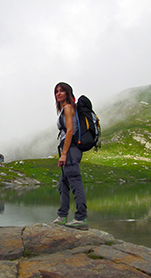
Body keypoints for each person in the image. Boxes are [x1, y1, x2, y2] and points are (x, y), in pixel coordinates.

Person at [52, 82, 88, 230]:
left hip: (71, 150)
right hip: (69, 149)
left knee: (74, 182)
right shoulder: (65, 109)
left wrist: (64, 154)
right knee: (63, 183)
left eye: (62, 91)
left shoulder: (68, 108)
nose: (58, 94)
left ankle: (81, 218)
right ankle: (63, 216)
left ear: (68, 93)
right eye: (56, 91)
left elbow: (70, 131)